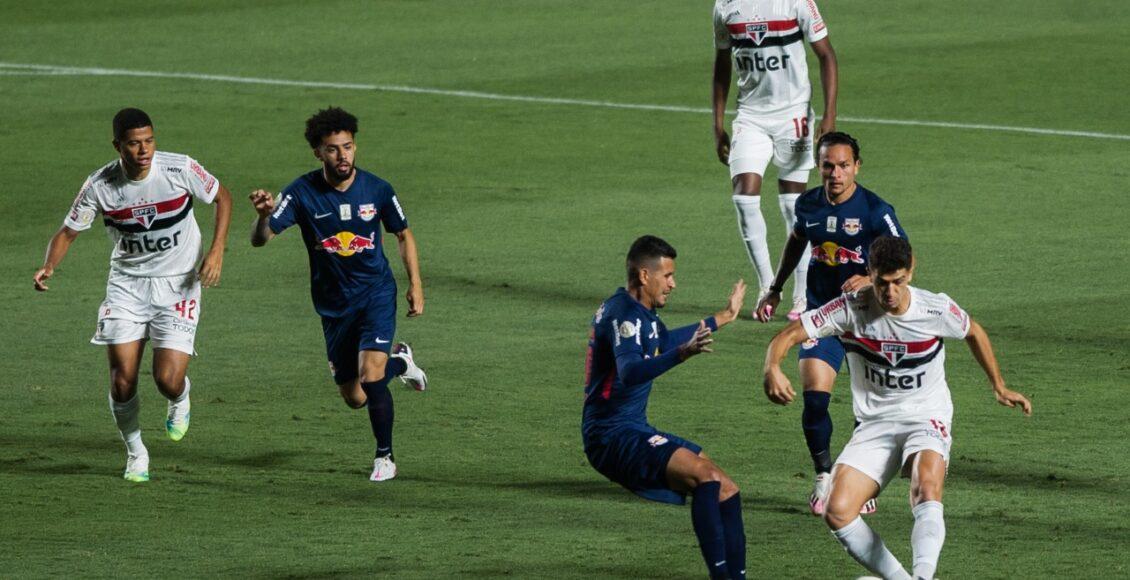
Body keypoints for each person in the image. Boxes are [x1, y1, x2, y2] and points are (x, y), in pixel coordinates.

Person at [762, 236, 1032, 579]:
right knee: (837, 509)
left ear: (911, 272)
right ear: (869, 274)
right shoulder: (851, 307)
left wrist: (999, 385)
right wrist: (772, 366)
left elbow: (973, 331)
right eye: (881, 283)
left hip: (926, 416)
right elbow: (788, 335)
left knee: (926, 487)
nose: (890, 292)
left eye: (898, 282)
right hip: (874, 424)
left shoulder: (934, 308)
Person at [32, 108, 233, 482]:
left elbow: (223, 197)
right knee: (122, 380)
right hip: (127, 287)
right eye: (134, 143)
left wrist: (217, 249)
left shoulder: (178, 168)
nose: (144, 150)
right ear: (117, 146)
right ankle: (136, 451)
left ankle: (179, 397)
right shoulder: (100, 185)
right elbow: (67, 232)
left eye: (149, 141)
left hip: (178, 285)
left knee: (167, 379)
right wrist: (49, 266)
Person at [249, 107, 426, 483]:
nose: (343, 155)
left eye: (348, 147)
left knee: (370, 374)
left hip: (375, 293)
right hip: (333, 305)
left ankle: (385, 456)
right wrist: (264, 215)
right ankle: (402, 363)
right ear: (318, 153)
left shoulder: (378, 189)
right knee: (356, 396)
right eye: (333, 149)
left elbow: (402, 234)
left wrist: (415, 284)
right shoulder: (301, 192)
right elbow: (260, 240)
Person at [755, 131, 906, 515]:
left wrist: (872, 280)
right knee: (815, 400)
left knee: (867, 408)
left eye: (843, 165)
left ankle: (863, 478)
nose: (835, 173)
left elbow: (904, 259)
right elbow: (796, 241)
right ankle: (824, 475)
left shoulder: (875, 210)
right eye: (828, 165)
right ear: (819, 166)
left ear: (856, 166)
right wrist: (775, 288)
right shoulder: (808, 205)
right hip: (822, 314)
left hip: (868, 319)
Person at [583, 235, 748, 579]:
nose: (673, 284)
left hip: (633, 428)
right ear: (645, 275)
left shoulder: (643, 314)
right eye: (668, 275)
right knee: (705, 478)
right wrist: (682, 355)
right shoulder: (622, 316)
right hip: (611, 436)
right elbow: (629, 372)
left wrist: (724, 316)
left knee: (727, 489)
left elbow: (666, 340)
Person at [712, 0, 839, 319]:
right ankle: (767, 287)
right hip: (751, 116)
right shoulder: (725, 6)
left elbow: (826, 54)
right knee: (744, 195)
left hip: (793, 115)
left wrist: (829, 114)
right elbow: (722, 61)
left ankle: (800, 296)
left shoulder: (796, 2)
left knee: (793, 206)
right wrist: (717, 123)